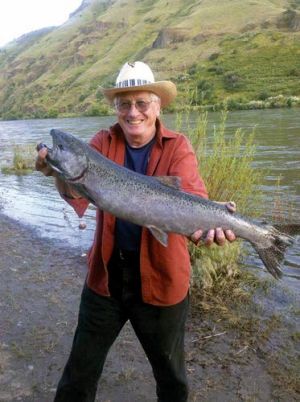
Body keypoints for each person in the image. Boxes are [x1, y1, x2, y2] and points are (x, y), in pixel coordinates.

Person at [36, 61, 236, 402]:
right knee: (78, 376)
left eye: (141, 103)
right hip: (106, 278)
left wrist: (215, 223)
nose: (133, 113)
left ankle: (263, 236)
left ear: (157, 105)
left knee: (172, 380)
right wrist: (56, 168)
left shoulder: (178, 146)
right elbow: (74, 193)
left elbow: (194, 199)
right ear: (116, 108)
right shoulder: (101, 142)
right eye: (123, 104)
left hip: (162, 279)